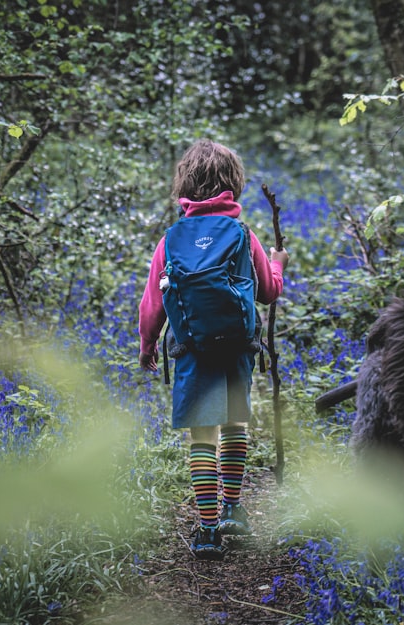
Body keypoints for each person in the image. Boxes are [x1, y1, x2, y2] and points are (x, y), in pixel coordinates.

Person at [138, 140, 289, 560]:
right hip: (238, 347)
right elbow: (268, 291)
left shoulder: (170, 240)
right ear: (233, 185)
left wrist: (147, 345)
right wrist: (278, 261)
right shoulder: (243, 234)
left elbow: (152, 303)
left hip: (191, 349)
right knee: (235, 424)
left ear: (184, 185)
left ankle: (206, 531)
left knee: (202, 438)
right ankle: (233, 510)